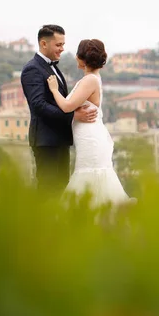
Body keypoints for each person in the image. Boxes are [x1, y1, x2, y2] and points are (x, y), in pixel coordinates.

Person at [47, 38, 133, 206]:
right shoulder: (91, 79)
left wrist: (54, 90)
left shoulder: (90, 80)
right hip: (88, 137)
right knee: (89, 177)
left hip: (91, 140)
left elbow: (66, 106)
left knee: (89, 176)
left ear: (82, 57)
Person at [21, 24, 98, 193]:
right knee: (48, 190)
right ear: (43, 44)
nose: (62, 49)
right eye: (58, 45)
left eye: (63, 44)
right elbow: (38, 105)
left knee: (62, 189)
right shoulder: (32, 69)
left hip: (60, 140)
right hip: (46, 141)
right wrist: (73, 117)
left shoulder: (53, 67)